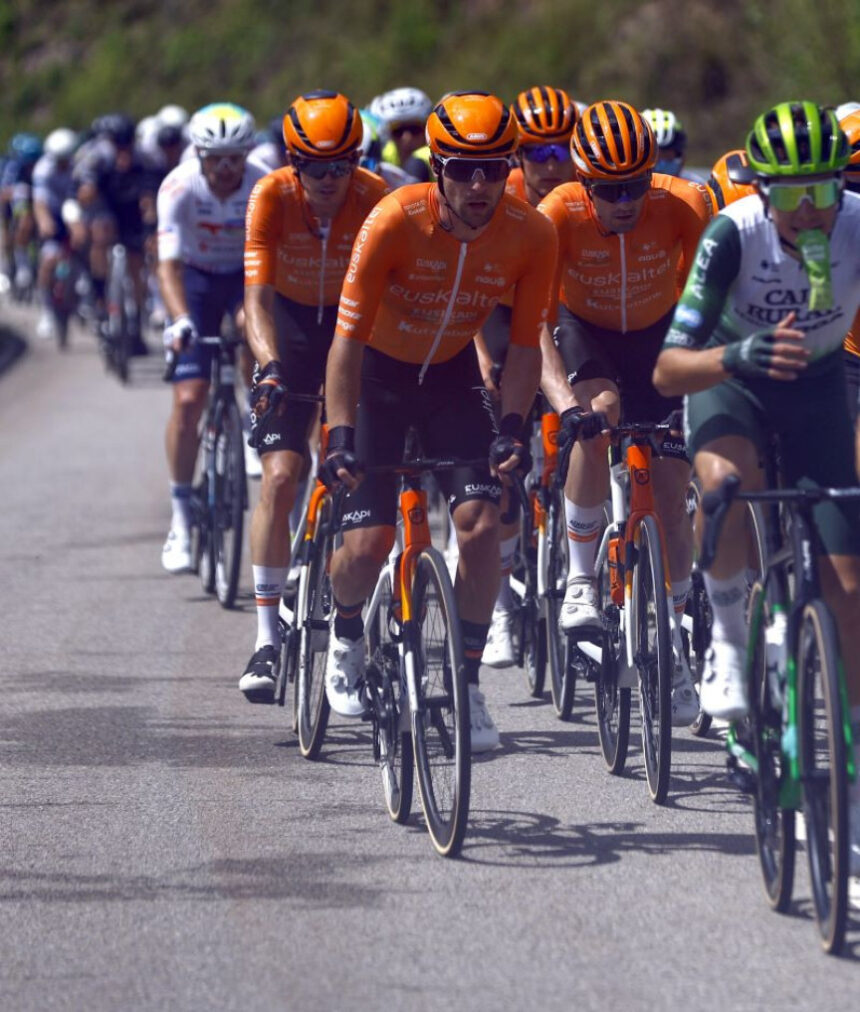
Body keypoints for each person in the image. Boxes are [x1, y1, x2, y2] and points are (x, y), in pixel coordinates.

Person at [651, 101, 860, 872]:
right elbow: (668, 368)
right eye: (793, 192)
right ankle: (731, 644)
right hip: (728, 379)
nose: (811, 209)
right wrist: (736, 357)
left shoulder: (855, 224)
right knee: (727, 483)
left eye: (825, 189)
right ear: (763, 188)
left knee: (849, 591)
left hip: (817, 390)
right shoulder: (730, 233)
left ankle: (851, 773)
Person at [320, 90, 558, 751]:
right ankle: (343, 633)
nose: (478, 185)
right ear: (437, 168)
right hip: (378, 380)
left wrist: (511, 425)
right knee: (367, 546)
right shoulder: (394, 220)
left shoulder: (531, 233)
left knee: (483, 526)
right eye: (461, 168)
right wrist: (340, 434)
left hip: (452, 379)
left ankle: (468, 684)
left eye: (491, 168)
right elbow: (345, 341)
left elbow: (523, 346)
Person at [537, 99, 711, 726]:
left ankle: (677, 627)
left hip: (662, 333)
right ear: (583, 183)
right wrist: (564, 402)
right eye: (608, 189)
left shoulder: (686, 204)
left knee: (671, 488)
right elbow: (535, 319)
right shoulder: (555, 214)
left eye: (635, 184)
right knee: (600, 412)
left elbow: (708, 305)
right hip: (587, 331)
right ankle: (581, 579)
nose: (625, 201)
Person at [237, 90, 389, 704]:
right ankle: (267, 637)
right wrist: (270, 365)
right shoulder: (271, 195)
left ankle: (342, 594)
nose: (329, 180)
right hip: (293, 332)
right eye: (315, 167)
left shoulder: (376, 196)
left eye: (341, 165)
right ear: (293, 162)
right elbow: (256, 299)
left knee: (346, 462)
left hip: (353, 334)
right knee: (279, 476)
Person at [478, 85, 578, 667]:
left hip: (563, 313)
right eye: (538, 153)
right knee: (506, 469)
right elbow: (464, 288)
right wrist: (481, 357)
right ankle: (499, 606)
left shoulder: (588, 191)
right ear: (516, 157)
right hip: (500, 315)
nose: (552, 164)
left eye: (562, 150)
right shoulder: (499, 196)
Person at [157, 103, 265, 573]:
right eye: (215, 158)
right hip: (197, 281)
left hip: (245, 276)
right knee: (188, 399)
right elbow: (168, 265)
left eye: (234, 158)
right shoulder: (179, 187)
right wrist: (179, 319)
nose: (225, 169)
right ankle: (180, 516)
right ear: (198, 155)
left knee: (249, 330)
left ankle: (247, 416)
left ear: (247, 154)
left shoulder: (264, 181)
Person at [31, 128, 79, 339]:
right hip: (53, 215)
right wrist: (44, 222)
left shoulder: (79, 166)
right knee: (48, 261)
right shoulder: (43, 170)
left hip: (77, 213)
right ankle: (47, 312)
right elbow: (39, 201)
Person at [370, 87, 434, 182]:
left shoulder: (436, 156)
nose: (406, 137)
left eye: (414, 129)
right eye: (398, 131)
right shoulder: (381, 155)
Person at [641, 108, 704, 182]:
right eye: (653, 156)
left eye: (666, 155)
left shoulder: (698, 187)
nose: (660, 162)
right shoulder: (625, 189)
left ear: (682, 156)